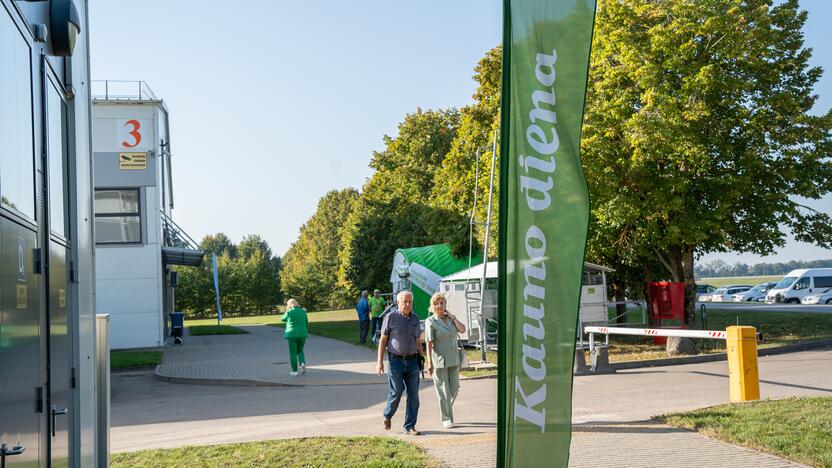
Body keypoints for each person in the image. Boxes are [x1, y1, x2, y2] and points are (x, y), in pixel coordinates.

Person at [376, 290, 423, 435]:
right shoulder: (390, 317)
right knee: (397, 391)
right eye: (405, 301)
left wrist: (421, 358)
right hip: (395, 361)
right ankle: (387, 414)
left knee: (414, 396)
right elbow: (383, 341)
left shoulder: (415, 318)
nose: (408, 304)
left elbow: (418, 341)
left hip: (413, 362)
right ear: (398, 302)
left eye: (410, 301)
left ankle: (410, 426)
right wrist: (379, 362)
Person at [424, 292, 466, 428]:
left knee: (454, 389)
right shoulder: (430, 321)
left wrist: (453, 317)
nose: (439, 305)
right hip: (439, 361)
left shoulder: (451, 320)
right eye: (436, 303)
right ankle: (447, 418)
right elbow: (429, 343)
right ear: (433, 306)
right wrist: (429, 362)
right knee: (443, 392)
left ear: (445, 305)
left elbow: (463, 330)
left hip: (454, 359)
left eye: (442, 303)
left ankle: (447, 409)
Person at [280, 298, 309, 376]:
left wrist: (287, 310)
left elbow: (282, 319)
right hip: (302, 334)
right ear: (296, 303)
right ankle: (302, 363)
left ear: (289, 305)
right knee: (300, 351)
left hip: (292, 334)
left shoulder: (289, 312)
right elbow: (306, 323)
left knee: (293, 353)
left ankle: (295, 371)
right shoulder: (303, 312)